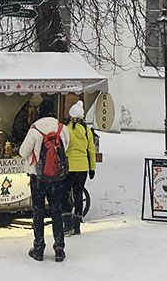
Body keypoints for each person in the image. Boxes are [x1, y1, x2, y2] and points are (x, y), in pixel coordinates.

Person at [20, 98, 71, 262]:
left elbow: (23, 152)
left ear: (41, 111)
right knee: (57, 211)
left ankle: (39, 248)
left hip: (38, 177)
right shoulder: (62, 128)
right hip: (57, 177)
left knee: (38, 212)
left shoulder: (35, 129)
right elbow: (66, 147)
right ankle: (59, 248)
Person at [64, 100, 97, 235]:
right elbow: (91, 150)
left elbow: (64, 148)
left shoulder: (66, 130)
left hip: (69, 167)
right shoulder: (87, 131)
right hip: (83, 167)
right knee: (78, 194)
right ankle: (77, 225)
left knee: (66, 194)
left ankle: (67, 224)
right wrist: (92, 168)